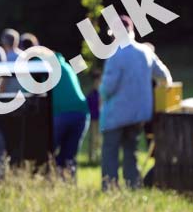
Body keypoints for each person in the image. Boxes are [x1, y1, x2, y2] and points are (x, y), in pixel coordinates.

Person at [100, 15, 171, 190]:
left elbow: (108, 88)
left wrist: (102, 95)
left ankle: (110, 188)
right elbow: (164, 76)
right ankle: (133, 186)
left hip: (116, 114)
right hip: (139, 114)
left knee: (110, 152)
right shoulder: (145, 51)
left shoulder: (115, 55)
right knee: (131, 152)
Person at [51, 51, 89, 179]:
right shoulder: (67, 66)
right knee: (70, 155)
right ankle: (69, 184)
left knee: (47, 152)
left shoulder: (44, 67)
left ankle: (50, 181)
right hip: (82, 114)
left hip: (61, 114)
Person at [85, 69, 102, 164]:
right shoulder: (91, 94)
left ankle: (98, 157)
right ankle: (91, 157)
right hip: (93, 118)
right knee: (92, 138)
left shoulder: (101, 93)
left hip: (100, 118)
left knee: (99, 139)